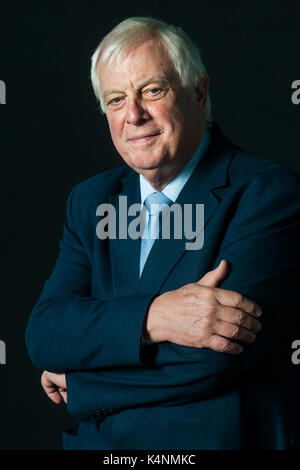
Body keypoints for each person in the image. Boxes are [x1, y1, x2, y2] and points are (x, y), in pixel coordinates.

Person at [25, 16, 300, 450]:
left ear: (198, 92)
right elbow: (45, 334)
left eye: (152, 90)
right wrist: (158, 317)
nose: (133, 114)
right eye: (116, 99)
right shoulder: (89, 201)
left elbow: (211, 362)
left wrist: (81, 384)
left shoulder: (266, 192)